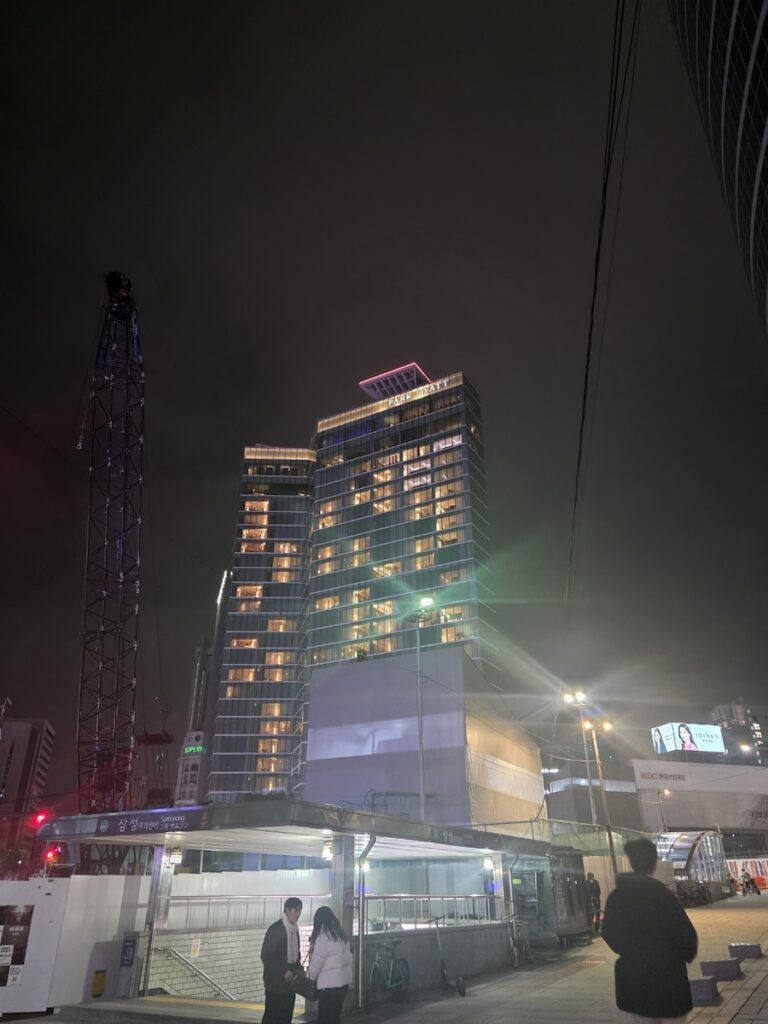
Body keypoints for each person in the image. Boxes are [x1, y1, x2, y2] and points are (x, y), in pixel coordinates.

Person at [602, 838, 697, 1024]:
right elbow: (685, 935)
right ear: (653, 862)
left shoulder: (618, 896)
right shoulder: (662, 894)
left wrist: (631, 952)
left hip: (635, 976)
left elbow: (609, 932)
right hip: (668, 975)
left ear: (631, 861)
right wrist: (679, 954)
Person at [307, 906, 354, 1024]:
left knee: (325, 1018)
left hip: (329, 986)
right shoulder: (340, 934)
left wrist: (310, 979)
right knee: (334, 1016)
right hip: (343, 983)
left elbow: (316, 963)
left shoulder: (323, 937)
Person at [261, 897, 303, 1024]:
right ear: (287, 910)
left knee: (286, 1016)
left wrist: (298, 969)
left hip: (290, 985)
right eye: (295, 911)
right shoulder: (276, 929)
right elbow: (266, 956)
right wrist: (283, 972)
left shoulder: (294, 930)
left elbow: (297, 954)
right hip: (275, 984)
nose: (298, 914)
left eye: (299, 911)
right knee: (272, 1016)